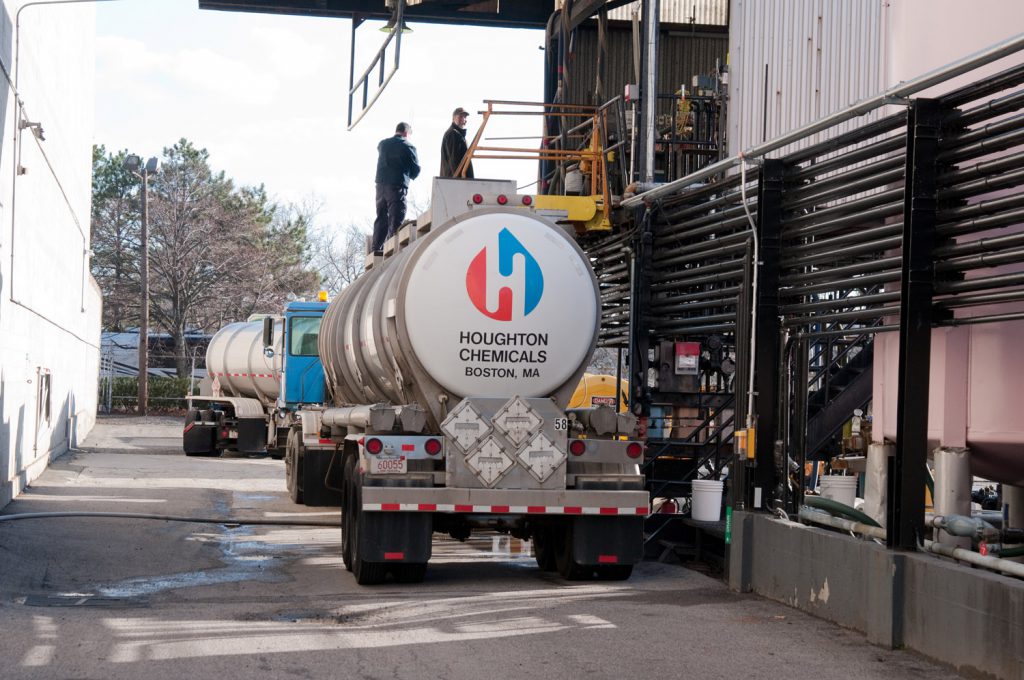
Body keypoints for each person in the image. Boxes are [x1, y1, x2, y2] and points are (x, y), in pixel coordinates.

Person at [372, 122, 421, 253]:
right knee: (396, 216)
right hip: (396, 186)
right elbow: (415, 170)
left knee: (381, 216)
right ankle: (391, 246)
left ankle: (376, 247)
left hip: (380, 186)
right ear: (406, 133)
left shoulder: (383, 144)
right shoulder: (408, 146)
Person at [439, 107, 475, 179]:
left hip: (456, 180)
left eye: (465, 117)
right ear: (453, 118)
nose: (463, 119)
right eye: (460, 116)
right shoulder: (453, 133)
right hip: (454, 180)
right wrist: (458, 180)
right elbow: (454, 159)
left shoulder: (459, 135)